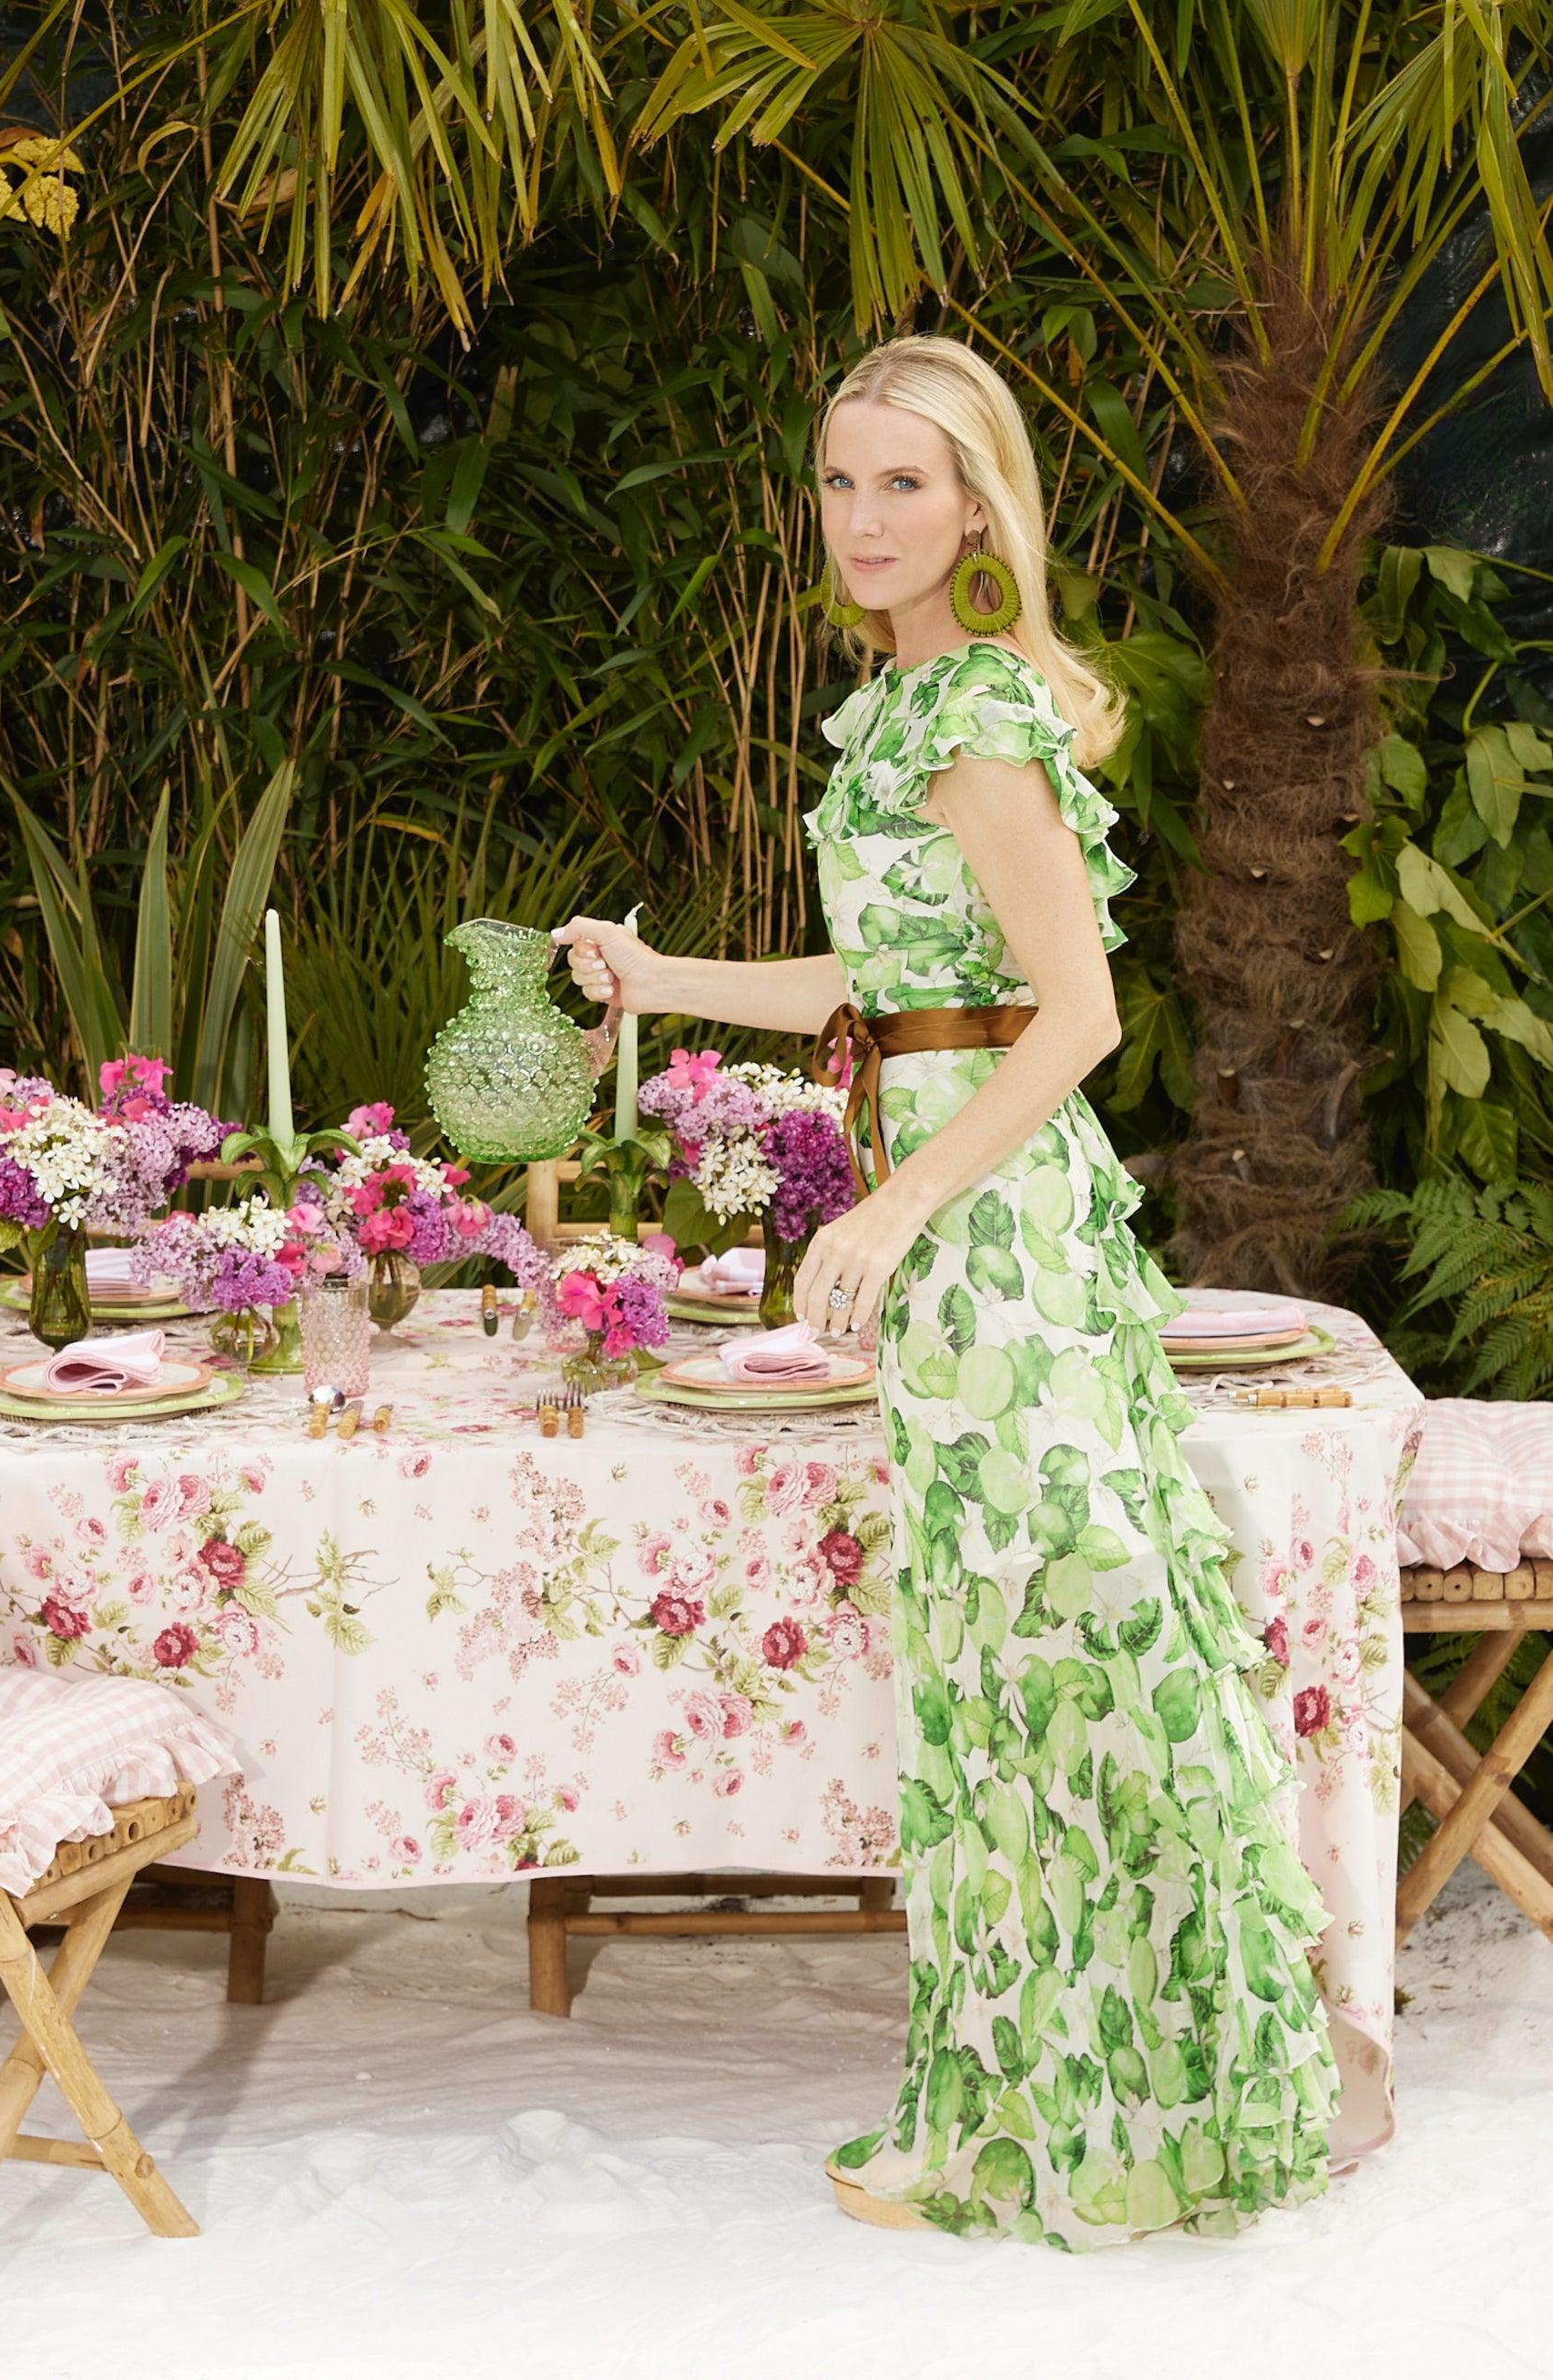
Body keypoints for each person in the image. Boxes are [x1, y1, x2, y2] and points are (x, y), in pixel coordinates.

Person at [550, 334, 1341, 2248]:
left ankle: (1112, 2104)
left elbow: (1072, 1016)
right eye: (838, 484)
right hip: (958, 1213)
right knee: (992, 1668)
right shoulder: (897, 706)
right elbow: (867, 986)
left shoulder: (975, 711)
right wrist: (651, 972)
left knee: (1053, 1640)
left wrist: (895, 1209)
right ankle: (1011, 2094)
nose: (863, 520)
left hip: (994, 1231)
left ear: (976, 505)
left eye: (902, 483)